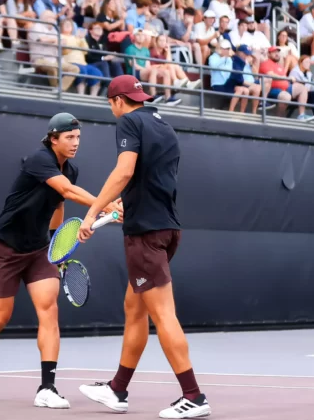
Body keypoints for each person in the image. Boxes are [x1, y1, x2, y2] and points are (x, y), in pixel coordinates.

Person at [0, 112, 123, 408]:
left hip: (38, 250)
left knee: (49, 311)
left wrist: (55, 245)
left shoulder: (70, 169)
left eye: (78, 138)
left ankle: (46, 387)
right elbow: (67, 191)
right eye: (69, 138)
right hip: (6, 249)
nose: (75, 143)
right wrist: (107, 203)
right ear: (53, 139)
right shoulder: (39, 160)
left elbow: (58, 204)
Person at [75, 75, 211, 419]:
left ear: (117, 102)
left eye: (111, 105)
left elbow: (124, 172)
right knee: (134, 309)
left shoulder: (128, 122)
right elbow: (150, 178)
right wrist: (126, 203)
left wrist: (92, 212)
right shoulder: (163, 125)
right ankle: (117, 389)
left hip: (146, 235)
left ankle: (193, 396)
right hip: (167, 228)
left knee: (163, 314)